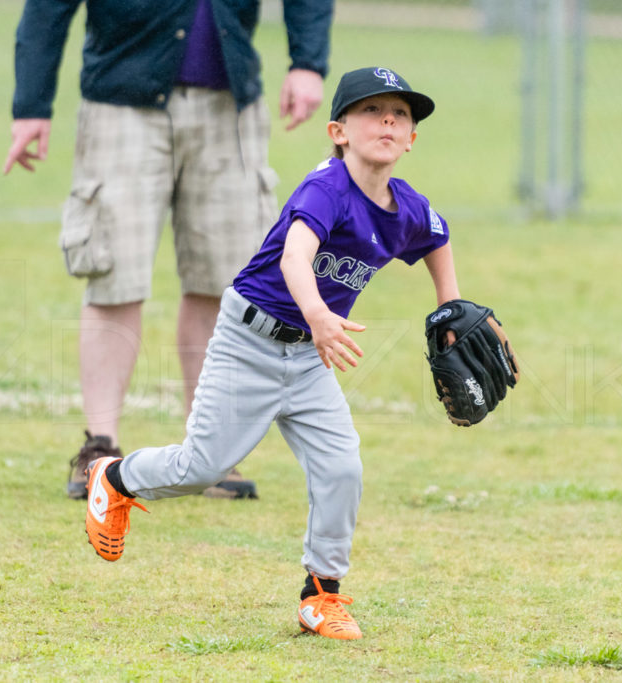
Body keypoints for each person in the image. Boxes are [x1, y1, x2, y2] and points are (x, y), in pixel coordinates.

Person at [82, 66, 459, 640]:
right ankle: (116, 477)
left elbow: (436, 238)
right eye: (372, 111)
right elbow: (294, 258)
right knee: (200, 467)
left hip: (310, 357)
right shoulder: (326, 189)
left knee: (342, 468)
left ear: (412, 138)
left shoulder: (406, 205)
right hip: (250, 343)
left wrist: (449, 309)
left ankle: (321, 595)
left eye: (401, 115)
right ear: (338, 130)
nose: (388, 120)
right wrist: (318, 316)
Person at [2, 0, 333, 500]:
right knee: (113, 275)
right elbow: (48, 8)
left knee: (224, 284)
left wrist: (307, 62)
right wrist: (31, 103)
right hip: (121, 101)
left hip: (229, 105)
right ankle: (101, 446)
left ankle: (207, 453)